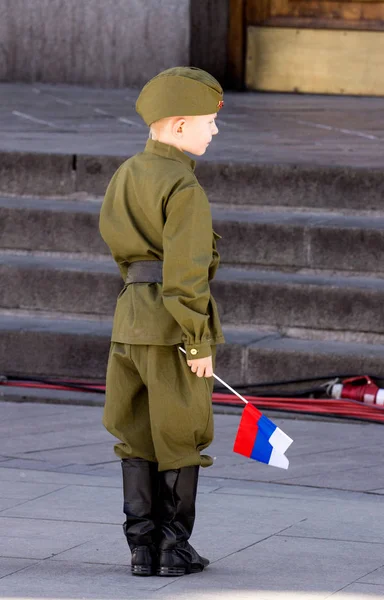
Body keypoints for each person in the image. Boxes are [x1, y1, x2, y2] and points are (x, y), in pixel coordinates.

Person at [99, 67, 225, 578]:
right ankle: (174, 549)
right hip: (173, 327)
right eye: (207, 121)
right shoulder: (184, 186)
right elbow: (186, 276)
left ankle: (141, 549)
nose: (213, 131)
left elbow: (118, 249)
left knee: (134, 433)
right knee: (181, 431)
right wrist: (198, 341)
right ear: (176, 126)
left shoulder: (126, 173)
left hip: (128, 319)